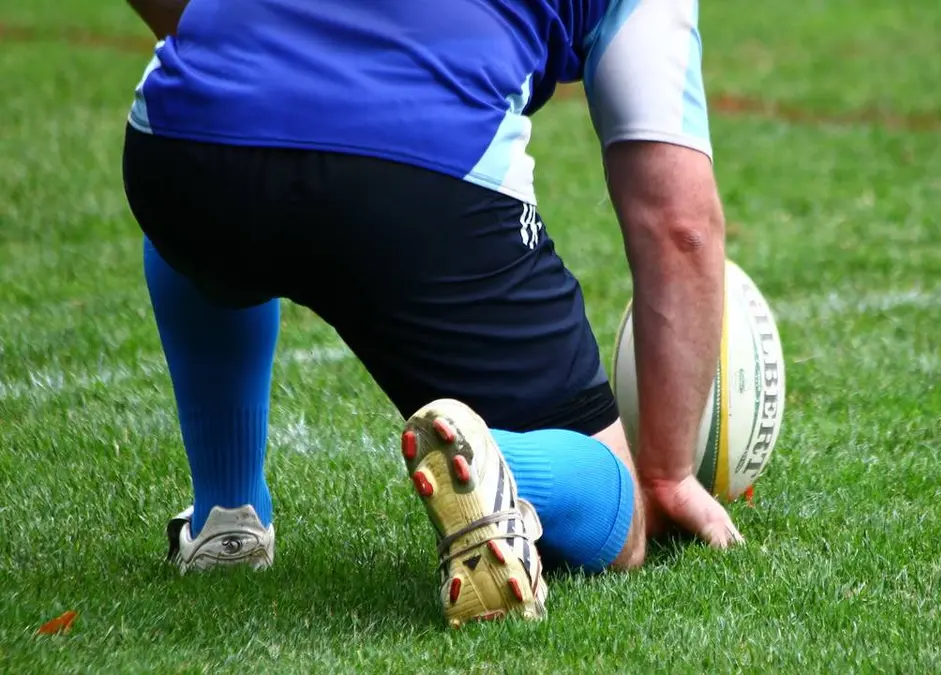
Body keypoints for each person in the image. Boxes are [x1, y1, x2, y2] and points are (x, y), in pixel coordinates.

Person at [122, 0, 740, 627]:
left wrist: (220, 39)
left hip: (182, 143)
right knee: (620, 514)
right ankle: (497, 465)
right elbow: (680, 226)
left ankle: (228, 516)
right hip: (423, 169)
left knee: (202, 195)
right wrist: (667, 475)